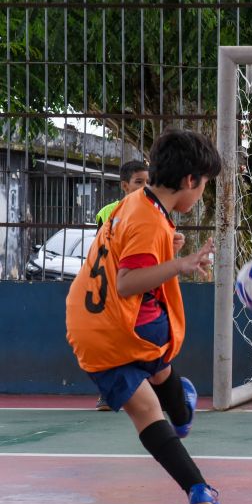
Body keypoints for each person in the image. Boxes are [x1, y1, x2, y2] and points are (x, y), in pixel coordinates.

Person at [65, 128, 223, 504]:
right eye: (204, 185)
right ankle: (183, 414)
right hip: (127, 325)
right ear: (190, 181)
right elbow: (128, 281)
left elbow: (121, 257)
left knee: (146, 410)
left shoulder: (135, 203)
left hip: (89, 328)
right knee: (159, 348)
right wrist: (180, 264)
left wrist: (168, 251)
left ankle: (198, 488)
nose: (202, 193)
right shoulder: (150, 222)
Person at [94, 160, 150, 411]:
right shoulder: (108, 213)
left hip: (143, 286)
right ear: (125, 186)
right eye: (139, 182)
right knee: (111, 340)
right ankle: (108, 394)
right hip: (114, 286)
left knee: (145, 340)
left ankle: (150, 392)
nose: (144, 187)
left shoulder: (155, 212)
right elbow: (101, 251)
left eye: (148, 182)